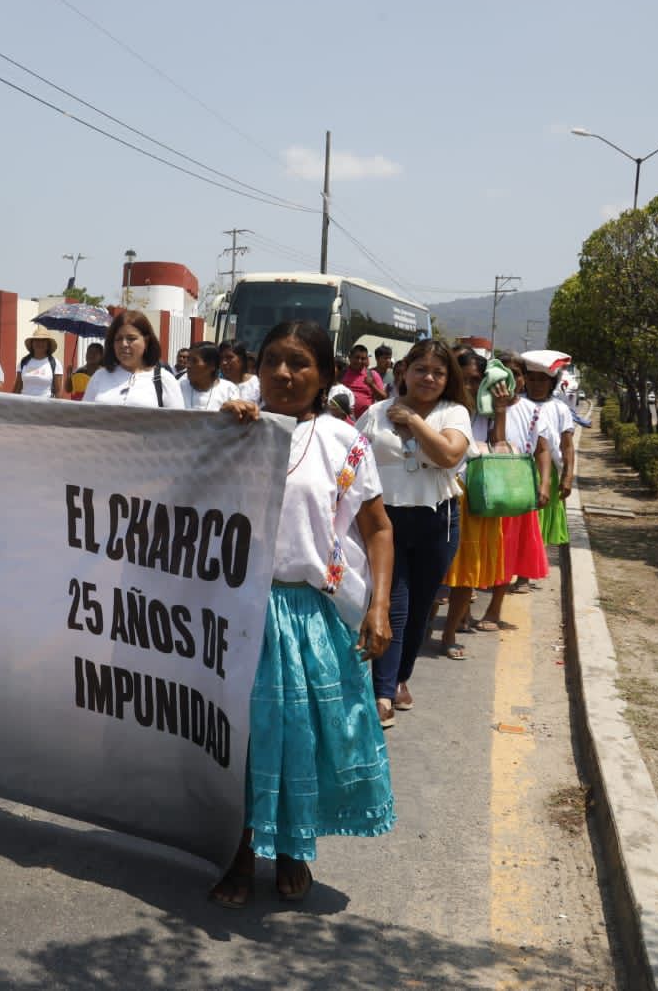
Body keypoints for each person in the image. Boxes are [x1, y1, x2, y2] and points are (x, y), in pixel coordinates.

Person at [209, 319, 395, 908]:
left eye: (299, 363)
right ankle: (239, 852)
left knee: (300, 740)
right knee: (239, 742)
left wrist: (380, 606)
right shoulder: (232, 429)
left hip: (310, 613)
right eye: (272, 362)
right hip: (236, 610)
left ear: (325, 375)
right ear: (254, 367)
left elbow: (379, 529)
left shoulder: (345, 442)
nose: (283, 374)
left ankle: (291, 850)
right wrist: (225, 434)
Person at [356, 339, 471, 726]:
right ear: (403, 370)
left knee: (421, 608)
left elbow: (449, 455)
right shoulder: (374, 413)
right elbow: (351, 460)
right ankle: (383, 692)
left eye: (439, 373)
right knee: (394, 604)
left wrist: (413, 420)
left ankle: (400, 676)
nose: (429, 378)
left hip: (437, 522)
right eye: (421, 369)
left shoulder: (453, 412)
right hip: (386, 521)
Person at [437, 350, 513, 657]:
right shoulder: (439, 406)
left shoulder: (486, 412)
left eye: (473, 380)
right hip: (441, 492)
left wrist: (501, 411)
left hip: (475, 496)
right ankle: (421, 629)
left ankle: (449, 634)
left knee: (467, 572)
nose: (467, 386)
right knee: (435, 570)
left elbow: (499, 446)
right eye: (462, 378)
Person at [475, 356, 553, 631]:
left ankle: (494, 609)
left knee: (507, 550)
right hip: (483, 484)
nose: (512, 380)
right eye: (506, 374)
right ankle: (462, 607)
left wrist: (543, 485)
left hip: (515, 485)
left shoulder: (533, 411)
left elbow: (542, 450)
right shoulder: (480, 406)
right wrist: (498, 411)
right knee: (478, 546)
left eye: (518, 374)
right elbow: (492, 442)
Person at [522, 352, 574, 548]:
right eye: (531, 378)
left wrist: (567, 476)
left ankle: (528, 572)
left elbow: (567, 445)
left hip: (546, 471)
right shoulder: (518, 404)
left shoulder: (560, 409)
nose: (536, 384)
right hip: (519, 469)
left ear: (551, 382)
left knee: (539, 522)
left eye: (542, 379)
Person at [83, 311, 184, 408]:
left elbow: (178, 423)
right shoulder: (100, 377)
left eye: (131, 338)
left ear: (146, 341)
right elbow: (84, 419)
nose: (123, 344)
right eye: (118, 339)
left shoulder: (164, 380)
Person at [178, 342, 238, 411]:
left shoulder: (229, 391)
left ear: (212, 366)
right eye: (188, 360)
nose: (188, 365)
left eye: (194, 361)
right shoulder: (179, 387)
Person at [14, 327, 65, 399]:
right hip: (24, 405)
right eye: (37, 340)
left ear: (48, 345)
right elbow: (17, 387)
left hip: (45, 407)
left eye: (43, 341)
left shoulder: (55, 364)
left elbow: (58, 391)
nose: (40, 343)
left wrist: (57, 408)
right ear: (32, 343)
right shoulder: (24, 362)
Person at [341, 344, 388, 420]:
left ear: (366, 360)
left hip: (364, 422)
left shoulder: (373, 375)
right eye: (357, 357)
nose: (359, 361)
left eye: (363, 359)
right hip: (343, 421)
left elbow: (384, 398)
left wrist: (372, 385)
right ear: (350, 357)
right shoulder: (341, 374)